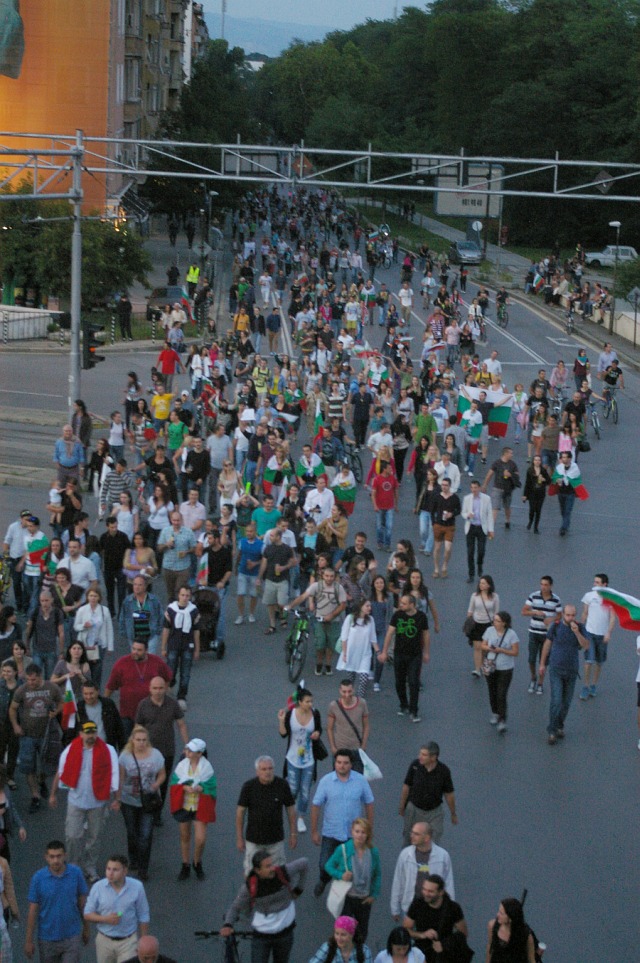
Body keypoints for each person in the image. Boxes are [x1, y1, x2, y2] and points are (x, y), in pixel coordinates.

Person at [48, 721, 119, 886]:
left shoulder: (108, 751)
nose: (91, 735)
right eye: (87, 732)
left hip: (98, 801)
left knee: (95, 837)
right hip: (76, 801)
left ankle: (90, 867)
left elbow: (114, 774)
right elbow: (61, 771)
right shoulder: (71, 750)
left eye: (93, 732)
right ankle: (73, 866)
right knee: (73, 836)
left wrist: (117, 798)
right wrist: (53, 794)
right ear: (81, 734)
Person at [221, 850, 308, 963]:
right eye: (267, 866)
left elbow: (304, 863)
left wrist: (299, 889)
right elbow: (235, 907)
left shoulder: (283, 873)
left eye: (272, 864)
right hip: (261, 937)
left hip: (285, 935)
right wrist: (227, 924)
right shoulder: (250, 887)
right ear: (258, 870)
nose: (272, 868)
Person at [311, 749, 374, 898]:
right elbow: (316, 805)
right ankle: (323, 880)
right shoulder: (326, 781)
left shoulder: (360, 781)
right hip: (331, 832)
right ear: (335, 763)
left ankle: (346, 895)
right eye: (339, 762)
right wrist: (314, 831)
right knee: (324, 864)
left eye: (345, 763)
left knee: (351, 867)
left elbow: (369, 803)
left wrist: (369, 829)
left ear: (351, 764)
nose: (342, 766)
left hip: (353, 834)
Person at [10, 663, 62, 813]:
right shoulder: (22, 690)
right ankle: (35, 796)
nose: (30, 683)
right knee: (28, 766)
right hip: (27, 735)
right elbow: (13, 709)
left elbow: (62, 702)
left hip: (46, 734)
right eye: (28, 679)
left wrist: (56, 712)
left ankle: (42, 780)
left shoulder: (51, 688)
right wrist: (15, 726)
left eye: (33, 680)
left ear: (40, 677)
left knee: (47, 764)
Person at [26, 840, 89, 962]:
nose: (56, 860)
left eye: (59, 856)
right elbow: (32, 911)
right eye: (52, 856)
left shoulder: (76, 874)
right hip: (47, 938)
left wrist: (86, 928)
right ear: (46, 858)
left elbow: (82, 904)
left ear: (65, 855)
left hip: (72, 936)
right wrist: (29, 941)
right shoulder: (38, 878)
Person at [116, 726, 166, 881]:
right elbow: (121, 779)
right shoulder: (125, 756)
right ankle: (134, 859)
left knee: (145, 835)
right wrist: (117, 799)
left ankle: (143, 869)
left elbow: (162, 774)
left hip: (148, 801)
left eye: (144, 740)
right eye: (138, 740)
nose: (141, 743)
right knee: (132, 832)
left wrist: (156, 785)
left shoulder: (155, 755)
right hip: (129, 800)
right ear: (132, 740)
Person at [135, 677, 188, 822]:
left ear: (165, 688)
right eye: (155, 688)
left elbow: (181, 724)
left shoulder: (172, 704)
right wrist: (135, 747)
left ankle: (157, 811)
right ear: (150, 689)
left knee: (163, 783)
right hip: (148, 751)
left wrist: (187, 745)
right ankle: (144, 806)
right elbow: (138, 727)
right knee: (146, 780)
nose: (158, 691)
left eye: (160, 688)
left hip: (167, 751)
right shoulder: (143, 705)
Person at [236, 755, 297, 876]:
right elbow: (240, 813)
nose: (267, 772)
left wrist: (293, 834)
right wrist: (239, 838)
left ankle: (275, 894)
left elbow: (290, 810)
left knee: (277, 872)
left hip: (275, 841)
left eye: (270, 768)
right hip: (254, 840)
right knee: (251, 872)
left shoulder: (282, 785)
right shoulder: (248, 787)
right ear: (257, 771)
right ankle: (252, 894)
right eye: (264, 769)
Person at [84, 854, 150, 963]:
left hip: (128, 941)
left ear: (125, 871)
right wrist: (106, 919)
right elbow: (87, 913)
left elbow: (143, 914)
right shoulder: (98, 887)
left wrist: (143, 941)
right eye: (108, 869)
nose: (110, 873)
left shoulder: (137, 887)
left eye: (115, 870)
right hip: (104, 941)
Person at [540, 604, 589, 744]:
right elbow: (547, 645)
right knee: (556, 701)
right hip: (556, 669)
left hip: (571, 671)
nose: (570, 618)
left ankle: (559, 725)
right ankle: (552, 730)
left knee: (566, 702)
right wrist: (542, 663)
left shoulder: (580, 627)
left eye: (573, 615)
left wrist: (577, 633)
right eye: (568, 615)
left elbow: (586, 646)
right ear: (563, 615)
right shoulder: (555, 627)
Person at [168, 738, 217, 881]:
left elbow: (211, 786)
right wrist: (184, 787)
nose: (187, 752)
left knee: (200, 839)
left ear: (199, 753)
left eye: (190, 750)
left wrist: (201, 788)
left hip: (199, 806)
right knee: (185, 836)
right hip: (185, 805)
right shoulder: (182, 766)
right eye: (187, 749)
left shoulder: (207, 768)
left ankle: (197, 861)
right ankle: (185, 864)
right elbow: (175, 783)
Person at [324, 818, 381, 941]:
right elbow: (328, 866)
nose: (360, 835)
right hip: (347, 897)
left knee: (362, 932)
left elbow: (377, 874)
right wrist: (341, 875)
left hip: (364, 899)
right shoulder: (343, 849)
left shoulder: (373, 852)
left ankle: (358, 954)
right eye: (357, 831)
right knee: (344, 930)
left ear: (368, 834)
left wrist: (374, 895)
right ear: (352, 832)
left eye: (363, 832)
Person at [287, 567, 348, 677]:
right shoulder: (316, 586)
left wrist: (332, 615)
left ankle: (328, 665)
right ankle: (319, 664)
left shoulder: (339, 588)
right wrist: (290, 606)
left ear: (335, 577)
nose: (329, 579)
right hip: (319, 619)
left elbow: (343, 604)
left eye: (331, 576)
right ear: (322, 576)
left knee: (331, 644)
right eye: (327, 576)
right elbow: (303, 596)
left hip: (334, 621)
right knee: (320, 643)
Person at [378, 594, 430, 724]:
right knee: (399, 682)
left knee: (413, 682)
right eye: (401, 603)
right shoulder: (397, 616)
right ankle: (403, 704)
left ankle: (414, 710)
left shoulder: (421, 617)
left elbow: (426, 635)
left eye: (404, 603)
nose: (401, 605)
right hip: (399, 654)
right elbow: (390, 633)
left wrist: (426, 652)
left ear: (412, 604)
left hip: (415, 655)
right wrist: (384, 652)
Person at [105, 641, 171, 740]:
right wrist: (104, 704)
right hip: (127, 713)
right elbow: (111, 686)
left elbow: (167, 678)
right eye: (134, 649)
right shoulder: (122, 663)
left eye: (139, 650)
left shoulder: (156, 662)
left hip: (150, 713)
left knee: (150, 743)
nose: (135, 652)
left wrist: (162, 694)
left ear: (146, 651)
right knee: (127, 744)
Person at [278, 688, 323, 834]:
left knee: (305, 790)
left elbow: (319, 730)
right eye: (307, 701)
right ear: (300, 702)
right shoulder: (291, 714)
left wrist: (317, 734)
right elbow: (283, 734)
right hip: (292, 758)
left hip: (309, 760)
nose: (310, 704)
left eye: (311, 701)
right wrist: (281, 721)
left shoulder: (315, 714)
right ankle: (291, 812)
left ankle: (301, 817)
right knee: (293, 789)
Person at [390, 823, 455, 921]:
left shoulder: (442, 856)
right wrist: (395, 908)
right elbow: (398, 882)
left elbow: (448, 883)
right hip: (410, 907)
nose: (411, 836)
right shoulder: (405, 855)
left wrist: (450, 909)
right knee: (411, 935)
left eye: (416, 834)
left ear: (427, 838)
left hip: (435, 908)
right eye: (412, 832)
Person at [398, 744, 457, 846]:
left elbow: (449, 794)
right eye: (420, 753)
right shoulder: (415, 765)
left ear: (434, 757)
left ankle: (428, 860)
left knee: (432, 842)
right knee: (409, 838)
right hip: (414, 810)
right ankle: (408, 860)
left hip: (434, 813)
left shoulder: (444, 771)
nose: (420, 757)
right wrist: (402, 805)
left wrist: (453, 813)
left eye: (424, 755)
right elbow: (406, 786)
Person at [402, 874, 469, 963]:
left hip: (444, 953)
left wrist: (444, 945)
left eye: (430, 891)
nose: (426, 893)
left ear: (441, 892)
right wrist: (422, 935)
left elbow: (463, 933)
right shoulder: (417, 904)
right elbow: (405, 930)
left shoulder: (452, 908)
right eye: (424, 889)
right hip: (422, 950)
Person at [480, 613, 520, 734]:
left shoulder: (511, 634)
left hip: (506, 668)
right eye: (494, 620)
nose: (494, 622)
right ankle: (495, 712)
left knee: (501, 694)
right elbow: (483, 645)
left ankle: (502, 719)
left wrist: (501, 650)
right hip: (491, 665)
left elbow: (515, 652)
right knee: (492, 690)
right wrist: (489, 648)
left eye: (497, 621)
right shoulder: (489, 631)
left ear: (504, 623)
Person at [161, 586, 200, 708]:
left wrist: (197, 649)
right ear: (178, 595)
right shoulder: (171, 610)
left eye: (187, 595)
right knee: (170, 669)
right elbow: (166, 629)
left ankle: (182, 697)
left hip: (188, 645)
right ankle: (169, 686)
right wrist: (163, 647)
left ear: (190, 597)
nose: (185, 598)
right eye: (183, 595)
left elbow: (196, 631)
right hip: (173, 644)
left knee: (185, 672)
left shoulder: (194, 611)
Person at [580, 574, 616, 700]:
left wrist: (608, 633)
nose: (594, 584)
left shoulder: (610, 599)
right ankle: (585, 686)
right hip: (589, 632)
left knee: (599, 662)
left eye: (597, 582)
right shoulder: (589, 596)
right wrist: (580, 630)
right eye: (594, 581)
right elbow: (585, 613)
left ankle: (594, 685)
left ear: (604, 584)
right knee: (588, 661)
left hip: (602, 635)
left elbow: (612, 618)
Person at [73, 589, 114, 689]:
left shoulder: (104, 610)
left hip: (99, 645)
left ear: (99, 598)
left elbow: (109, 628)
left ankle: (96, 692)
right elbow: (76, 626)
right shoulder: (82, 610)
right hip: (84, 645)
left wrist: (110, 647)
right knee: (84, 671)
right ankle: (85, 692)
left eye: (95, 596)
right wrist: (84, 626)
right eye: (91, 596)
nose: (93, 598)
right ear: (87, 597)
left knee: (97, 672)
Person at [337, 601, 379, 698]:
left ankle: (360, 701)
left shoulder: (370, 620)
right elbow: (344, 637)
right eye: (367, 606)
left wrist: (378, 652)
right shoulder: (350, 618)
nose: (369, 608)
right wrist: (345, 654)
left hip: (365, 653)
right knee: (350, 681)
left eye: (370, 606)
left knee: (364, 680)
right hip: (351, 653)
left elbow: (373, 638)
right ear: (360, 607)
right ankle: (349, 699)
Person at [157, 511, 197, 603]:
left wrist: (186, 552)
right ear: (171, 520)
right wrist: (166, 545)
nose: (176, 523)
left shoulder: (188, 532)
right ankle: (171, 613)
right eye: (174, 520)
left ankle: (182, 611)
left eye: (178, 520)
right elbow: (159, 548)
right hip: (168, 567)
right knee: (170, 593)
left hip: (183, 567)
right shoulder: (165, 531)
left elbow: (194, 548)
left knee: (180, 592)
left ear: (181, 520)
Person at [119, 577, 164, 657]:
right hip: (134, 637)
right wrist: (125, 632)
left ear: (145, 586)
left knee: (150, 660)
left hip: (151, 636)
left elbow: (161, 616)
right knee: (136, 659)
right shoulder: (127, 601)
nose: (136, 587)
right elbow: (122, 617)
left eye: (140, 585)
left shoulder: (154, 600)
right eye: (135, 584)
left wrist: (157, 632)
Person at [75, 681, 125, 752]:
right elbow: (73, 730)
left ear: (97, 692)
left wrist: (122, 750)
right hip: (85, 750)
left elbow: (119, 728)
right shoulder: (79, 708)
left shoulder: (108, 705)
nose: (88, 697)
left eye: (91, 693)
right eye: (85, 694)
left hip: (106, 748)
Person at [25, 590, 65, 679]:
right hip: (37, 650)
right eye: (42, 601)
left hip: (51, 650)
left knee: (50, 677)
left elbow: (61, 633)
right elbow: (28, 631)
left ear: (52, 600)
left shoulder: (57, 613)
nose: (44, 603)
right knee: (36, 676)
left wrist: (61, 652)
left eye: (46, 600)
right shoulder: (35, 612)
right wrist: (27, 647)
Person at [485, 897, 537, 963]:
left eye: (501, 913)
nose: (497, 915)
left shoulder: (526, 936)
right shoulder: (492, 926)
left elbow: (531, 960)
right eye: (498, 911)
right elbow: (490, 947)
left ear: (510, 919)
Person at [461, 480, 494, 584]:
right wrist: (467, 516)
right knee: (470, 552)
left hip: (481, 527)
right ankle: (471, 574)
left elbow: (489, 515)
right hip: (470, 527)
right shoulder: (467, 499)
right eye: (472, 488)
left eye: (475, 487)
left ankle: (479, 564)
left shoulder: (486, 499)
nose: (474, 490)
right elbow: (463, 512)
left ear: (479, 488)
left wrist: (491, 529)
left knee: (481, 551)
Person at [481, 447, 520, 530]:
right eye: (510, 453)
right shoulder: (497, 463)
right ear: (505, 454)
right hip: (497, 488)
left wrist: (510, 475)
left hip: (508, 489)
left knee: (507, 507)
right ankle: (491, 526)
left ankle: (507, 520)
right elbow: (490, 474)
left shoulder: (513, 464)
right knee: (495, 507)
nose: (512, 455)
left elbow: (517, 476)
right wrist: (485, 485)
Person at [99, 518, 130, 619]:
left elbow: (129, 549)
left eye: (116, 527)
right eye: (112, 527)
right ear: (107, 527)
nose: (114, 529)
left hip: (121, 568)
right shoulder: (103, 537)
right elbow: (101, 551)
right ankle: (111, 612)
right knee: (110, 592)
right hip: (108, 569)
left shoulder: (123, 536)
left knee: (121, 593)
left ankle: (121, 613)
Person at [308, 915, 373, 963]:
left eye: (343, 935)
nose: (339, 938)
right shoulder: (327, 947)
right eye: (337, 933)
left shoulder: (364, 951)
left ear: (352, 935)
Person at [430, 478, 460, 579]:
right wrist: (433, 523)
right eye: (442, 485)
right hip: (438, 524)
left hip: (449, 526)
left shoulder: (454, 498)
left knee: (448, 549)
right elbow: (432, 510)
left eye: (446, 485)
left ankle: (445, 566)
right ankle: (436, 569)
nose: (444, 487)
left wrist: (452, 514)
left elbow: (459, 510)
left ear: (450, 486)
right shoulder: (437, 497)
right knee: (437, 548)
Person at [371, 462, 399, 552]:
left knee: (389, 526)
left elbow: (396, 491)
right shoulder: (377, 479)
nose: (391, 470)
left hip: (389, 507)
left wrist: (396, 505)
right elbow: (373, 494)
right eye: (389, 468)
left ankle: (387, 544)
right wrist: (375, 505)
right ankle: (380, 542)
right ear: (384, 469)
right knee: (379, 527)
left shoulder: (393, 479)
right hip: (379, 507)